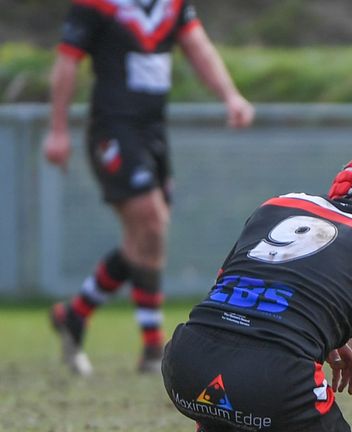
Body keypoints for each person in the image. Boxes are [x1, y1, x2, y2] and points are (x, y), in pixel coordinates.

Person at [45, 0, 255, 376]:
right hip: (112, 129)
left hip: (153, 133)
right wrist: (58, 130)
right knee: (152, 223)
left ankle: (74, 315)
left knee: (145, 240)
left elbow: (199, 49)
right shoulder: (94, 6)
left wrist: (230, 95)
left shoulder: (172, 6)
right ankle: (152, 347)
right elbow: (66, 63)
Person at [161, 156, 352, 432]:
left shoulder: (275, 207)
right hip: (277, 380)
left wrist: (321, 330)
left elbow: (229, 292)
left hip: (184, 363)